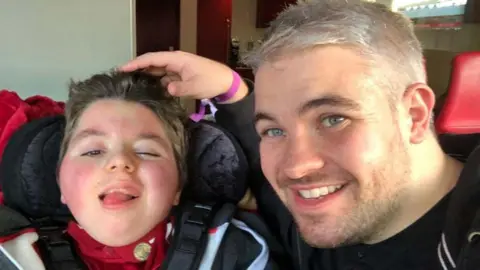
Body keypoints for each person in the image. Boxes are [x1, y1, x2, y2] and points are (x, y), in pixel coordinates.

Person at [120, 0, 480, 269]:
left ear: (414, 114)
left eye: (333, 119)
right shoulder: (317, 214)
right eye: (274, 130)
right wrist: (229, 88)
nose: (296, 167)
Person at [0, 71, 284, 270]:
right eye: (93, 151)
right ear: (60, 182)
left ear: (177, 187)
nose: (119, 162)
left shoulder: (238, 253)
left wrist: (231, 90)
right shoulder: (12, 253)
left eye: (146, 151)